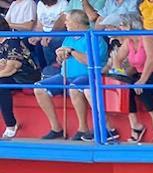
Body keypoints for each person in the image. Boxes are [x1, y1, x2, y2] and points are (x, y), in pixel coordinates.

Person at [33, 10, 106, 141]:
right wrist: (60, 55)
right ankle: (56, 128)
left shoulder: (94, 37)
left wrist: (72, 51)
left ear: (77, 23)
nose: (65, 23)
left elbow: (92, 61)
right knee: (39, 88)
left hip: (88, 75)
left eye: (68, 21)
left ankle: (82, 128)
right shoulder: (68, 37)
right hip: (65, 74)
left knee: (74, 87)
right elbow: (62, 60)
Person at [0, 30, 40, 139]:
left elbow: (12, 68)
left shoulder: (12, 41)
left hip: (25, 76)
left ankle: (11, 124)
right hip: (8, 75)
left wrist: (4, 65)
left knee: (1, 85)